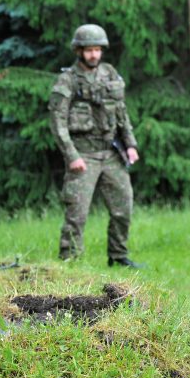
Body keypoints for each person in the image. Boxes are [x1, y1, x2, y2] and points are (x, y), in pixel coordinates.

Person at [49, 24, 142, 267]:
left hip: (111, 152)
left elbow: (121, 112)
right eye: (89, 50)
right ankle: (70, 261)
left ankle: (118, 256)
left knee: (124, 207)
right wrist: (72, 155)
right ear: (78, 50)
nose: (94, 55)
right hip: (83, 154)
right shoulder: (68, 80)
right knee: (76, 213)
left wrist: (130, 144)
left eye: (98, 50)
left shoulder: (109, 73)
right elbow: (57, 122)